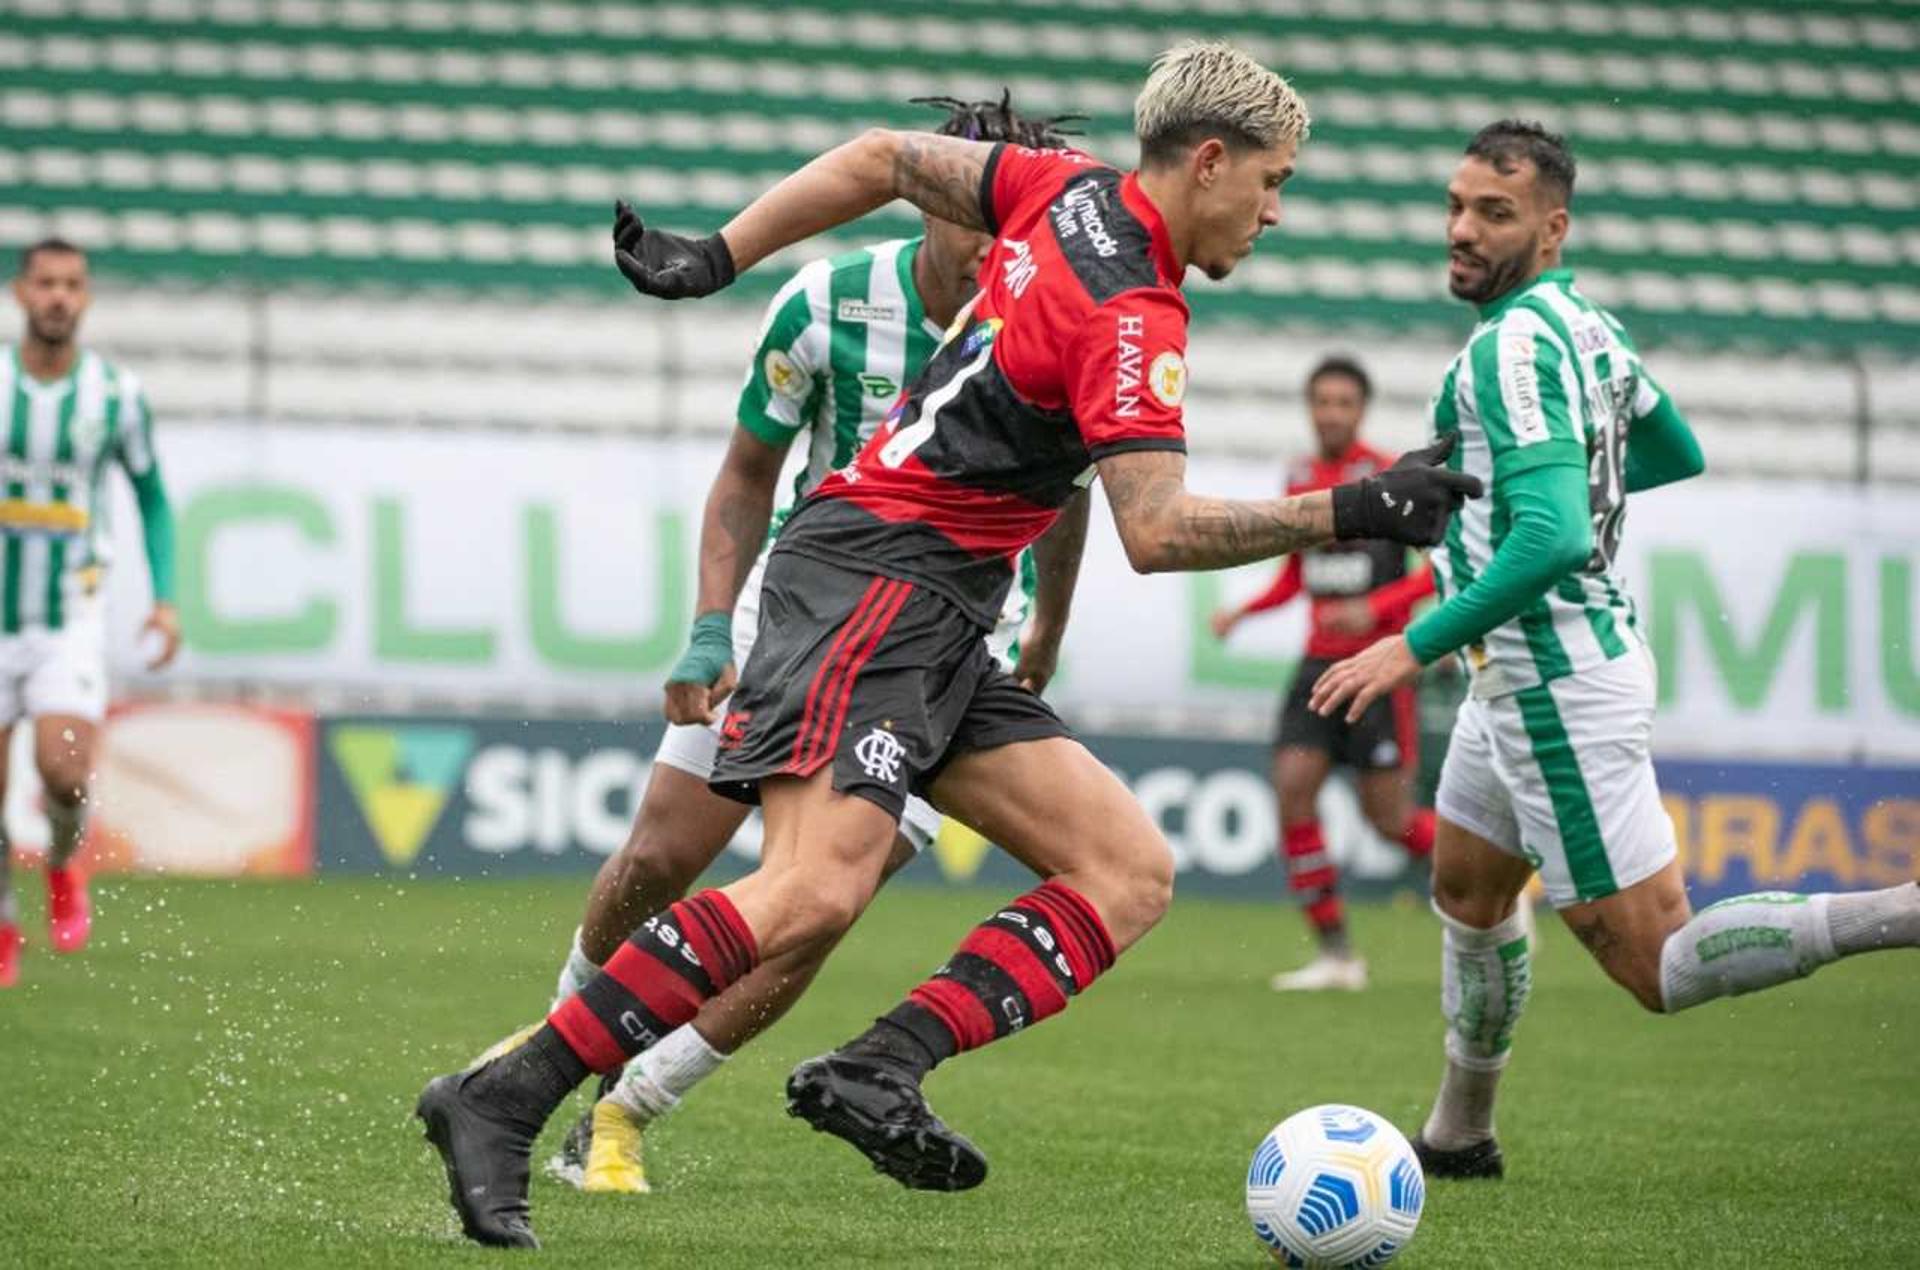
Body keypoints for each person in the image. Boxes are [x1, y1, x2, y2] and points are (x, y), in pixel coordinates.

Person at [417, 42, 1480, 1249]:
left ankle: (879, 1066)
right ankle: (502, 1097)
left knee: (1125, 868)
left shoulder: (1061, 186)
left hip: (942, 611)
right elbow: (1158, 527)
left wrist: (717, 252)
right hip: (875, 577)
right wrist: (1354, 507)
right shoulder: (1135, 311)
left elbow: (882, 158)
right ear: (1211, 160)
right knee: (810, 887)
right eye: (1274, 181)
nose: (1276, 210)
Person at [468, 93, 1085, 1198]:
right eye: (975, 195)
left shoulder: (1055, 316)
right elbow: (747, 475)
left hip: (946, 646)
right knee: (663, 857)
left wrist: (1048, 623)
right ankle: (553, 1049)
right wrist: (710, 628)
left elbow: (1081, 493)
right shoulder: (828, 303)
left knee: (814, 908)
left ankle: (628, 1108)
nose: (997, 222)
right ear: (939, 187)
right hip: (800, 611)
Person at [1308, 120, 1920, 1180]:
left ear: (1552, 227)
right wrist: (1540, 490)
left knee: (1660, 963)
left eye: (1492, 214)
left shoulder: (1507, 347)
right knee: (1466, 889)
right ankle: (1459, 1133)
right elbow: (1673, 450)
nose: (1462, 229)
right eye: (1456, 205)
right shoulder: (1586, 326)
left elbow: (1553, 534)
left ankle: (1903, 910)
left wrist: (1410, 644)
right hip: (1523, 679)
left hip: (1550, 681)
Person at [1211, 355, 1438, 992]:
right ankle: (1337, 955)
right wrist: (1244, 613)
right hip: (1317, 664)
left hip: (1378, 667)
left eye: (1343, 402)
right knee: (1291, 792)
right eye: (1322, 401)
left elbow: (1433, 575)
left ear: (1360, 409)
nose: (1331, 412)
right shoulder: (1302, 478)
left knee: (1391, 823)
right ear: (1310, 408)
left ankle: (1497, 884)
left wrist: (1376, 608)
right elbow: (1294, 575)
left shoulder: (1392, 476)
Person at [0, 239, 179, 988]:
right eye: (46, 283)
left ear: (87, 297)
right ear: (21, 292)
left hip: (68, 613)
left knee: (65, 771)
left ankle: (65, 862)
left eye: (72, 285)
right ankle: (6, 921)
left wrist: (165, 597)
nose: (58, 297)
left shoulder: (114, 394)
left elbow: (152, 495)